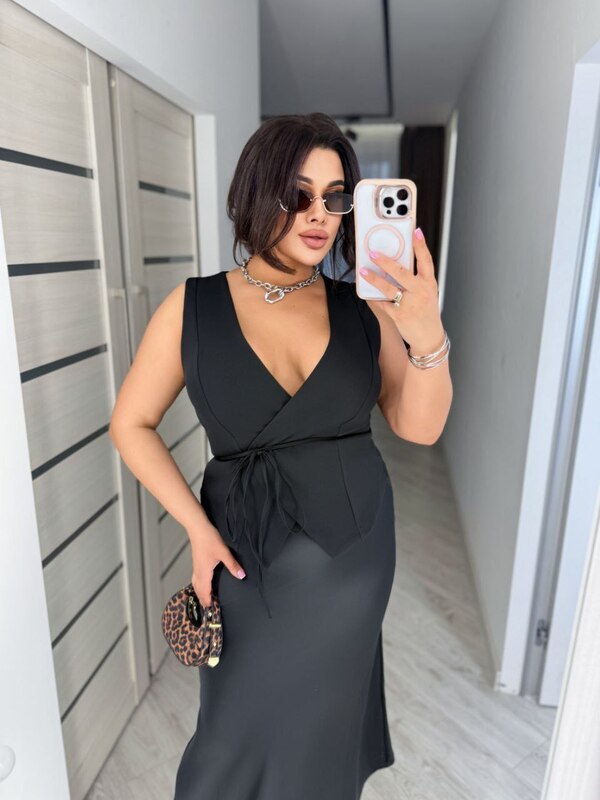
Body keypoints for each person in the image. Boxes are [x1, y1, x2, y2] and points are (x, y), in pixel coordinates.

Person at [109, 112, 453, 800]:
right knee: (229, 739)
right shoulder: (192, 307)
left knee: (320, 736)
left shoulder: (364, 308)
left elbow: (418, 427)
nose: (319, 214)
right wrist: (196, 528)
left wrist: (426, 332)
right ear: (255, 191)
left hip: (353, 562)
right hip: (243, 555)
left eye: (336, 196)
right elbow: (132, 424)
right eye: (299, 193)